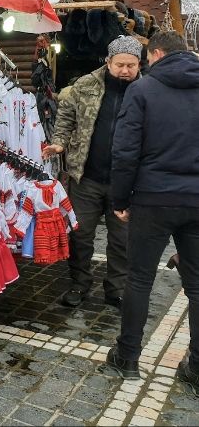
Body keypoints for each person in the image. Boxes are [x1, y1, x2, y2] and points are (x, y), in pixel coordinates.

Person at [105, 31, 199, 391]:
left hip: (153, 198)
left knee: (140, 279)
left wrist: (121, 200)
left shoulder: (143, 90)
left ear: (157, 54)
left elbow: (125, 151)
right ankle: (198, 368)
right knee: (198, 287)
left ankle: (127, 356)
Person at [42, 35, 142, 309]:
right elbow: (65, 118)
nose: (125, 70)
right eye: (120, 64)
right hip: (86, 177)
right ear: (108, 61)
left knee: (121, 240)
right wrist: (60, 142)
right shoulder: (85, 85)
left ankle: (116, 288)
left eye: (131, 65)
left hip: (127, 183)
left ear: (139, 64)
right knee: (81, 234)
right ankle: (79, 284)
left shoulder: (145, 90)